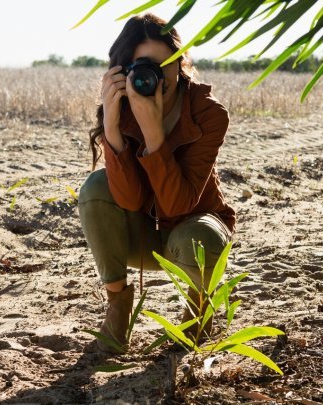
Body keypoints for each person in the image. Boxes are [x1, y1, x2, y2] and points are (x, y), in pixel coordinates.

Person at [78, 13, 236, 354]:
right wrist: (112, 128)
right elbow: (129, 200)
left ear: (179, 63)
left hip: (192, 230)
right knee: (95, 189)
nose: (156, 75)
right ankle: (118, 306)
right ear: (125, 70)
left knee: (201, 239)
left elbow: (179, 204)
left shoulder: (208, 114)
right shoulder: (122, 107)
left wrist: (153, 134)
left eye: (166, 63)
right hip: (145, 235)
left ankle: (199, 305)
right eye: (143, 65)